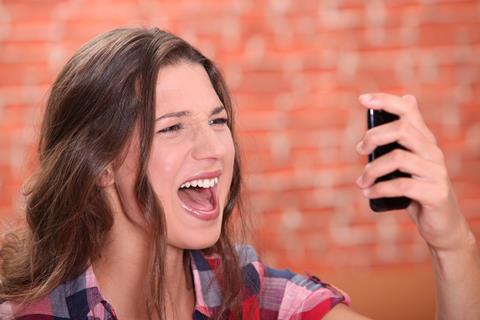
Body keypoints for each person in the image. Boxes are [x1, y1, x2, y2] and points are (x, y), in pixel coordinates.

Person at [0, 27, 478, 320]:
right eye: (171, 128)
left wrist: (452, 243)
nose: (214, 150)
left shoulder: (248, 295)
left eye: (218, 121)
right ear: (100, 163)